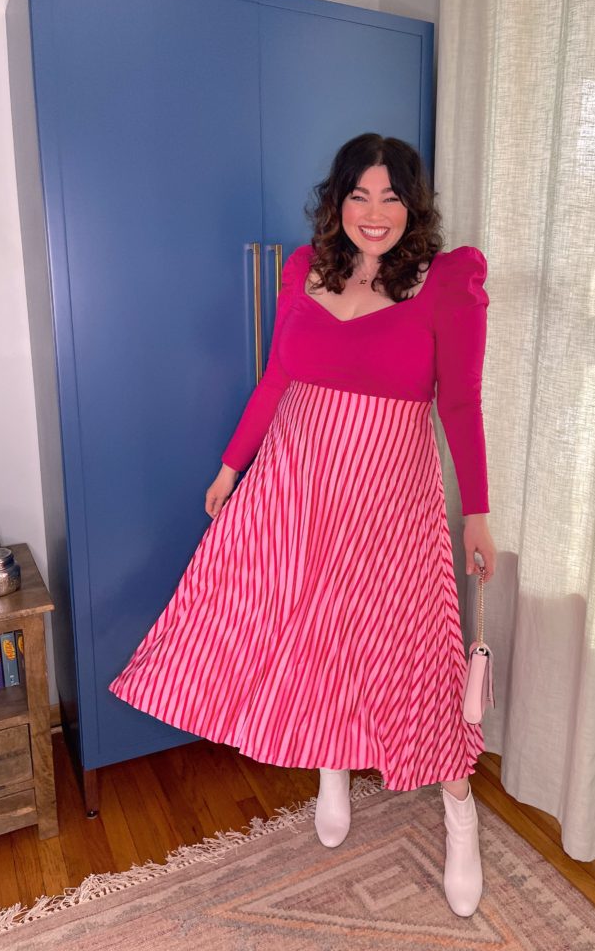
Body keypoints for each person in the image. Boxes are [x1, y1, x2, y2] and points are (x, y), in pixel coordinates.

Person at [109, 133, 496, 917]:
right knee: (303, 628)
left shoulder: (445, 282)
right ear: (338, 201)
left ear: (413, 205)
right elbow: (280, 376)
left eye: (391, 197)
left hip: (391, 500)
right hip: (298, 487)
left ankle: (458, 810)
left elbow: (458, 403)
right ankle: (332, 762)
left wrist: (479, 515)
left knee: (412, 652)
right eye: (360, 195)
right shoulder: (303, 271)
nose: (375, 213)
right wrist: (229, 467)